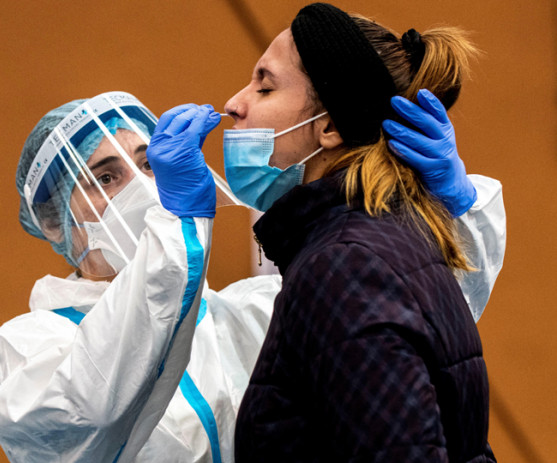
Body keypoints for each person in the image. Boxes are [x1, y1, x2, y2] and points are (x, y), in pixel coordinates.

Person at [0, 88, 504, 461]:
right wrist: (180, 224)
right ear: (54, 223)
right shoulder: (32, 347)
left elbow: (411, 315)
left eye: (147, 164)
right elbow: (89, 416)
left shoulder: (251, 312)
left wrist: (455, 211)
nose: (142, 187)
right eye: (105, 177)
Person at [209, 3, 497, 461]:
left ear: (330, 126)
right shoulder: (386, 241)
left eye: (264, 86)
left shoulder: (345, 266)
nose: (233, 104)